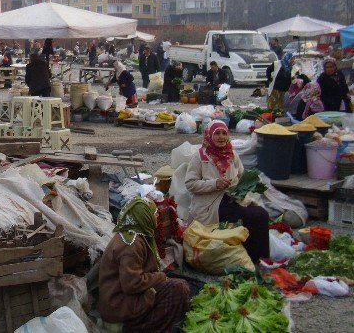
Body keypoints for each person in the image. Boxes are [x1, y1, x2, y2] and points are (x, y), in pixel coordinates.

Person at [98, 197, 190, 332]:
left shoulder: (134, 235)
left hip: (120, 297)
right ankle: (141, 328)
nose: (156, 217)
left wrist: (158, 277)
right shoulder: (130, 244)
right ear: (144, 217)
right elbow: (132, 284)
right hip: (118, 304)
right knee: (179, 289)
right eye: (154, 214)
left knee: (175, 285)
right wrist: (159, 277)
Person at [185, 120, 269, 263]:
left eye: (224, 133)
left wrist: (243, 187)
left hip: (232, 199)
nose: (221, 137)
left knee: (261, 214)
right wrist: (214, 184)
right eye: (217, 133)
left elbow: (242, 178)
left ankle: (260, 259)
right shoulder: (200, 156)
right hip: (210, 205)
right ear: (209, 136)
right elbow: (190, 184)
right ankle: (251, 259)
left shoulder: (232, 154)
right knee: (248, 216)